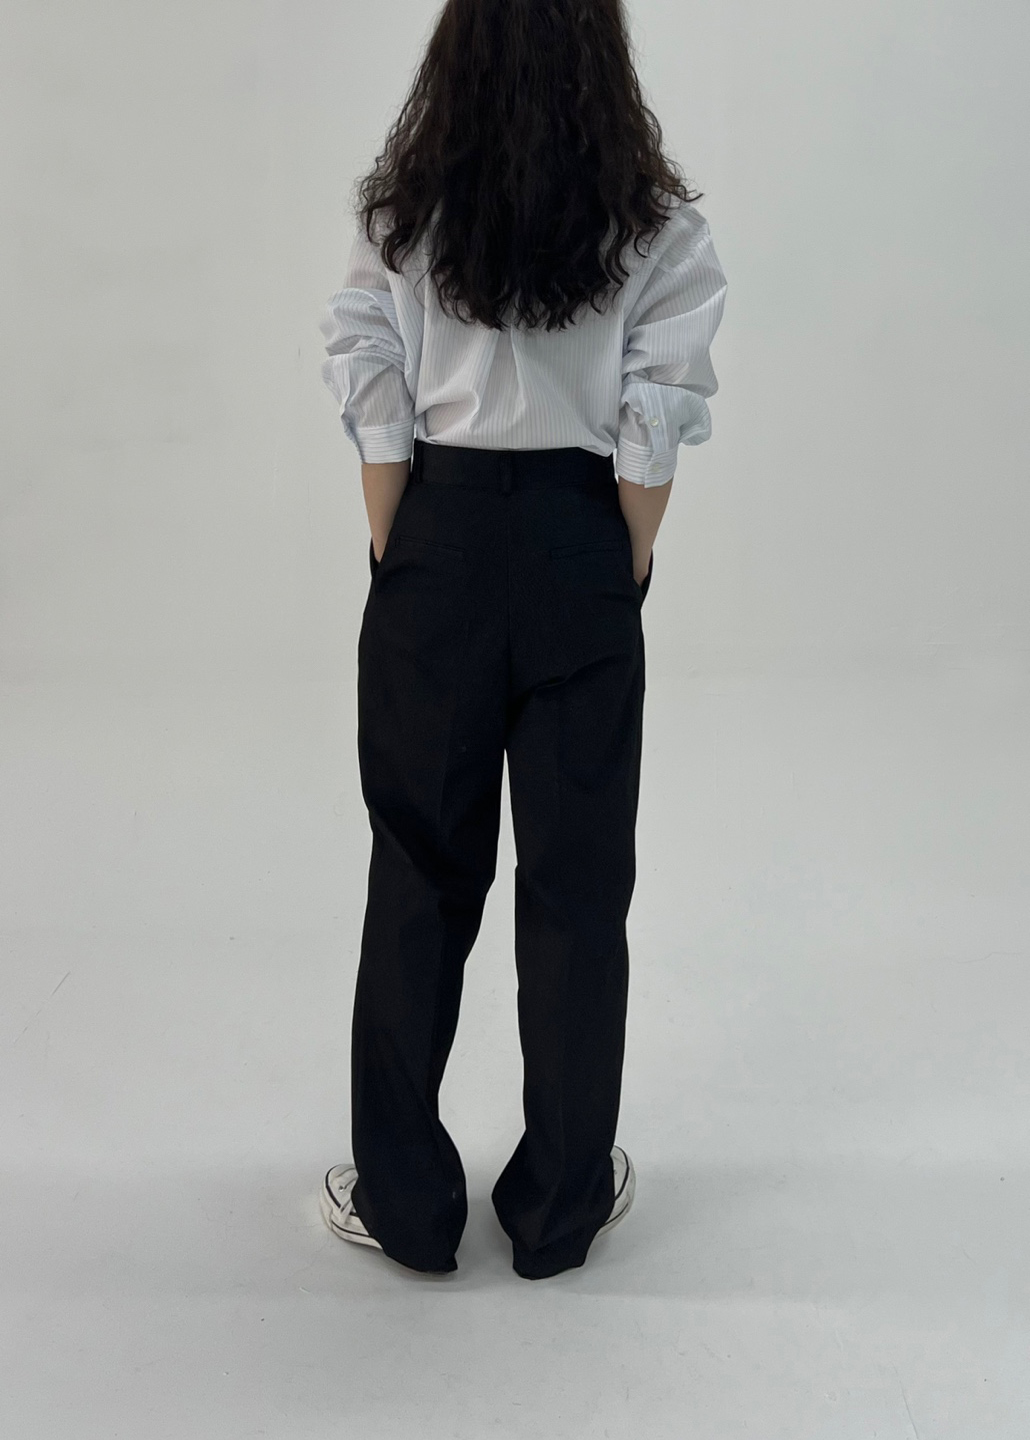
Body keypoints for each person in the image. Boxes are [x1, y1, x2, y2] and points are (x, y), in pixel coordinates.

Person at [316, 0, 728, 1281]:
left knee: (419, 873)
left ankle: (404, 1204)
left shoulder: (404, 211)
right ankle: (558, 1208)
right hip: (577, 542)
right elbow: (657, 412)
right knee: (576, 887)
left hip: (435, 536)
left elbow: (370, 376)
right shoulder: (654, 223)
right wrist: (618, 561)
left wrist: (402, 545)